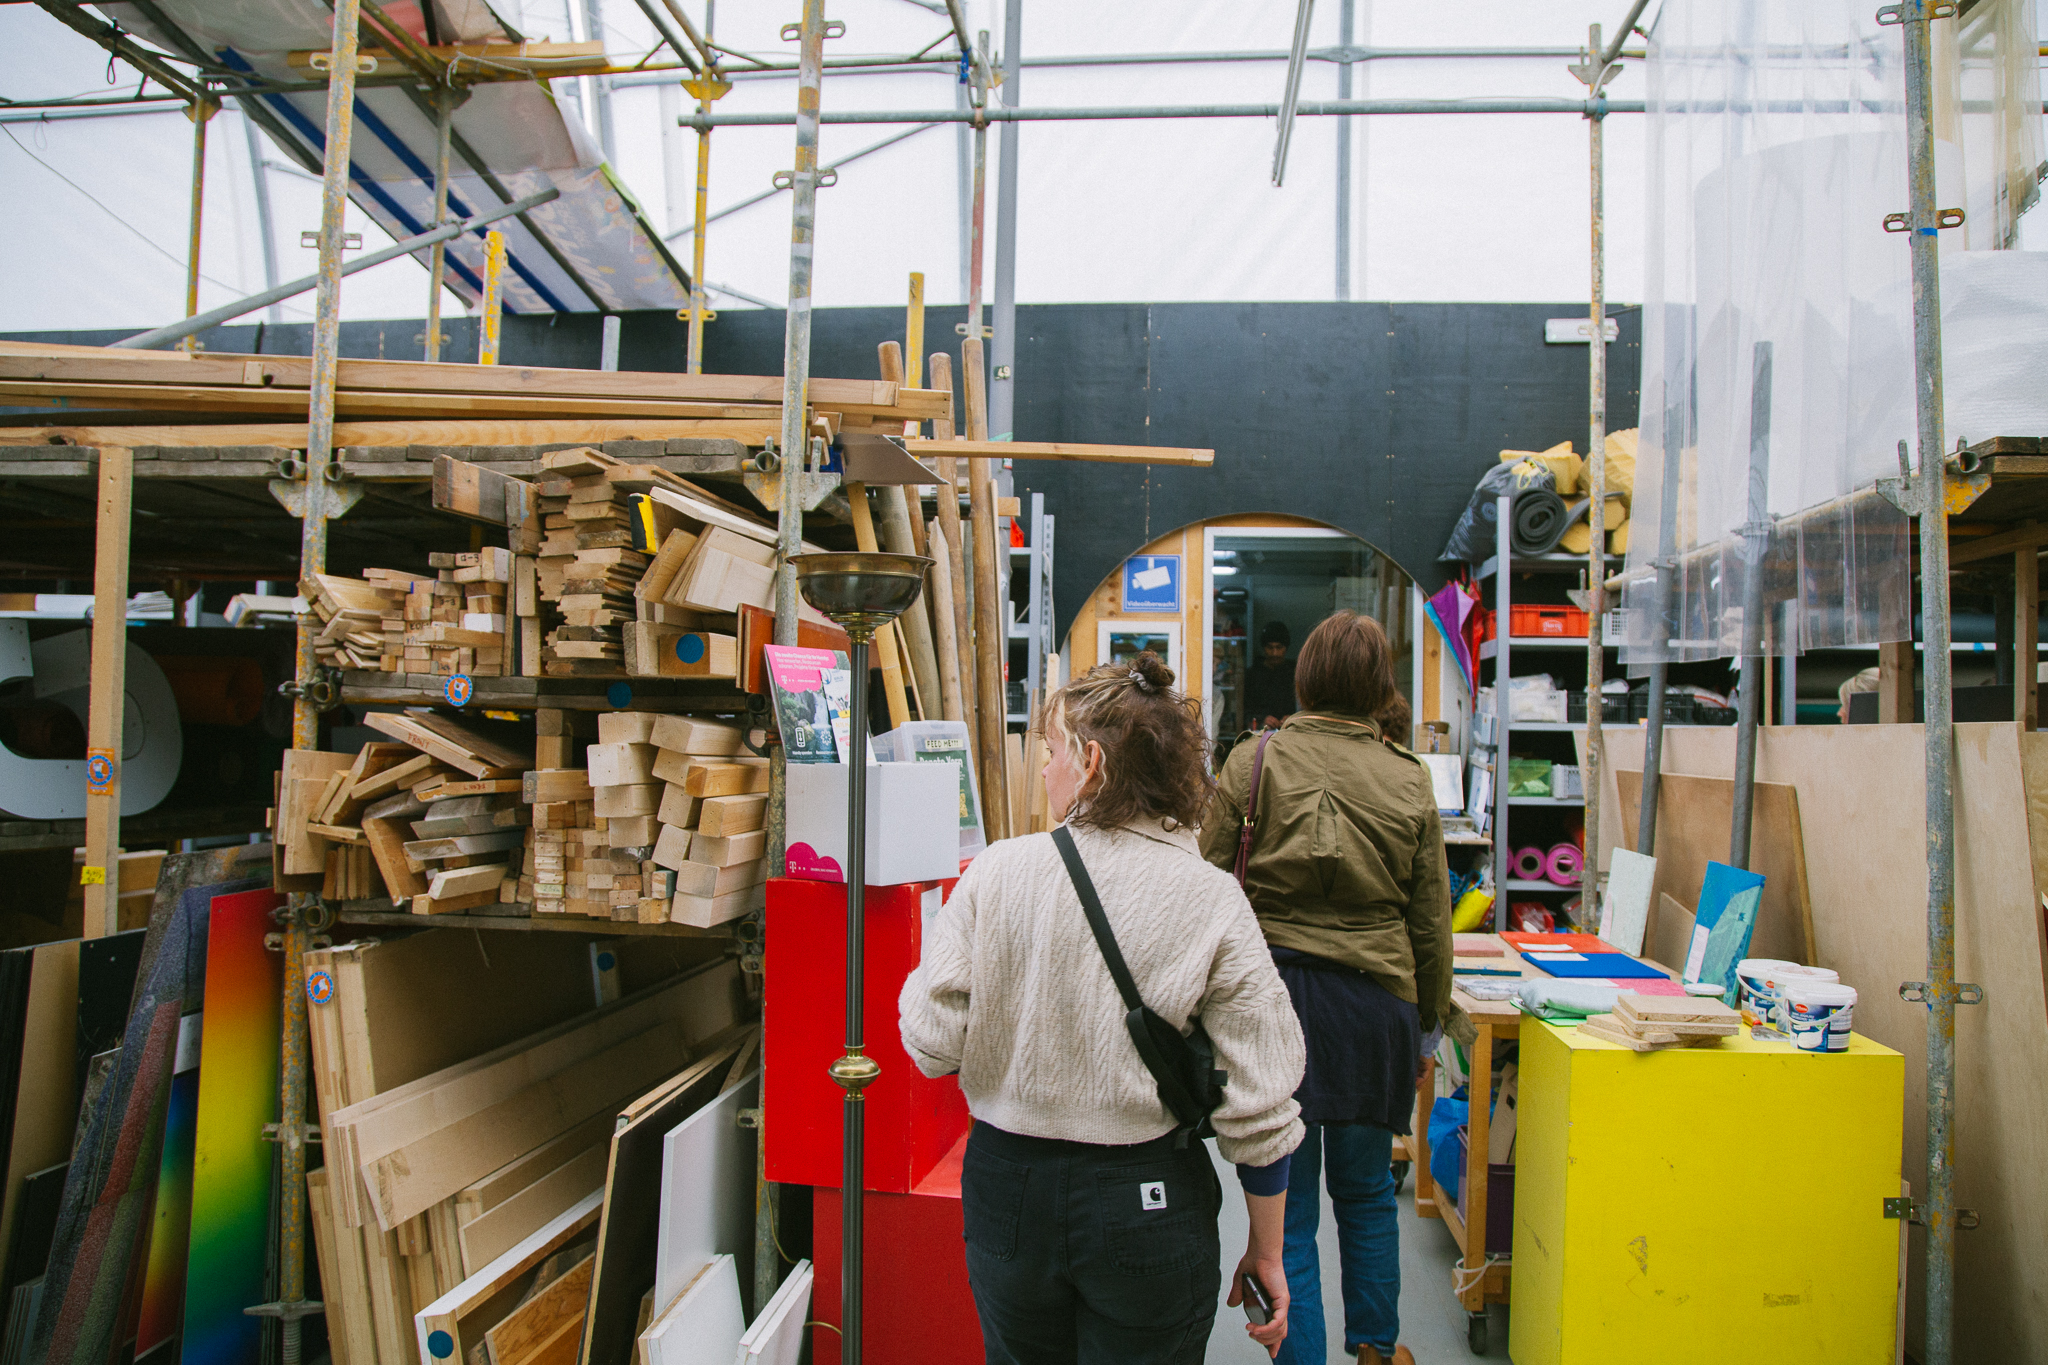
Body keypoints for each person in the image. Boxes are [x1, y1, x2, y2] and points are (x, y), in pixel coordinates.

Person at [900, 652, 1307, 1364]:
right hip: (1145, 1201)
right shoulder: (1212, 898)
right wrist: (1267, 1252)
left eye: (1053, 751)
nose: (1048, 769)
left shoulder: (998, 871)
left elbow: (932, 1041)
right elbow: (1263, 1104)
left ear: (1091, 761)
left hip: (1007, 1194)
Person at [1200, 611, 1453, 1365]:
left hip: (1275, 1005)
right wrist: (1428, 1026)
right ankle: (1376, 1349)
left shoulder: (1253, 761)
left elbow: (1204, 885)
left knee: (1292, 1209)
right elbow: (1431, 921)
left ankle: (1299, 1356)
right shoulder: (1409, 776)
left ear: (1304, 676)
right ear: (1381, 687)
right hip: (1378, 1008)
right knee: (1370, 1190)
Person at [1243, 621, 1298, 730]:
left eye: (1279, 647)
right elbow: (1245, 711)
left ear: (1286, 648)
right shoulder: (1252, 674)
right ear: (1264, 648)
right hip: (1260, 734)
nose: (1274, 653)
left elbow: (1304, 708)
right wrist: (1262, 720)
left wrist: (1292, 718)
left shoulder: (1295, 672)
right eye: (1270, 647)